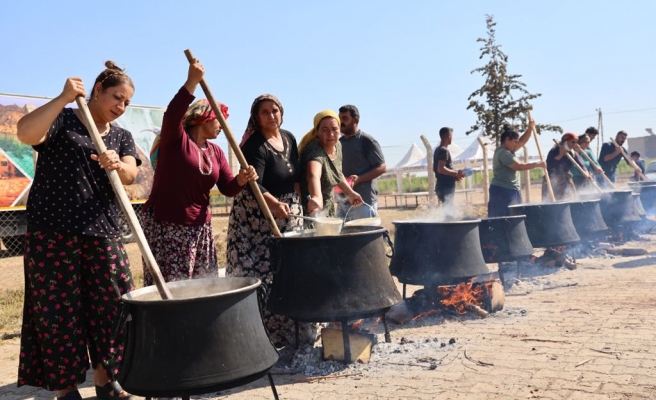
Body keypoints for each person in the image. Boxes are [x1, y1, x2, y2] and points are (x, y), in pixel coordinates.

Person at [15, 62, 138, 400]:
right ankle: (65, 390)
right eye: (117, 97)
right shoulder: (64, 119)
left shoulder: (121, 136)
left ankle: (105, 380)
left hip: (103, 232)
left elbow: (131, 173)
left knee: (113, 309)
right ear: (97, 90)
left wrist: (118, 162)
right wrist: (63, 97)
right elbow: (25, 133)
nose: (121, 107)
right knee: (59, 316)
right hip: (53, 234)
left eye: (127, 102)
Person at [141, 59, 257, 286]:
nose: (222, 126)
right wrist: (191, 82)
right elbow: (172, 115)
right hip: (169, 225)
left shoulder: (216, 151)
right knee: (174, 287)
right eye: (219, 119)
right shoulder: (176, 142)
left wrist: (241, 179)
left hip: (201, 228)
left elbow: (227, 188)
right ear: (204, 117)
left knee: (202, 285)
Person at [226, 94, 305, 347]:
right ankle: (262, 335)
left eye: (275, 111)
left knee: (289, 270)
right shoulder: (255, 146)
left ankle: (289, 330)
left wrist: (302, 202)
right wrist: (273, 204)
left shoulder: (289, 138)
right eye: (265, 112)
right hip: (258, 218)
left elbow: (297, 174)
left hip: (287, 211)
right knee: (263, 274)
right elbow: (253, 184)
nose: (272, 116)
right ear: (256, 118)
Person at [298, 110, 363, 217]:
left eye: (334, 129)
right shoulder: (315, 150)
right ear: (317, 131)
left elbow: (336, 173)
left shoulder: (337, 145)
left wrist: (350, 193)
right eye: (324, 130)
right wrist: (317, 197)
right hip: (311, 209)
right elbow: (313, 175)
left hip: (328, 206)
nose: (331, 134)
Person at [336, 105, 386, 221]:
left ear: (356, 120)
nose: (341, 122)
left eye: (344, 118)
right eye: (339, 118)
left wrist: (359, 178)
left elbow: (382, 167)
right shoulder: (338, 143)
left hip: (363, 203)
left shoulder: (366, 140)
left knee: (362, 238)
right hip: (343, 202)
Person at [487, 122, 545, 217]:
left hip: (512, 189)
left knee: (515, 216)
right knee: (505, 218)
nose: (516, 144)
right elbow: (519, 166)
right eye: (514, 142)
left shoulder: (509, 150)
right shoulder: (503, 153)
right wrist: (537, 164)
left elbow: (522, 141)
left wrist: (530, 129)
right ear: (507, 140)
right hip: (503, 190)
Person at [543, 133, 585, 201]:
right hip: (553, 180)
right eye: (573, 142)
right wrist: (560, 155)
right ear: (566, 142)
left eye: (576, 142)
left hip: (566, 179)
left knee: (571, 199)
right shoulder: (554, 150)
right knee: (552, 201)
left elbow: (581, 164)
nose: (575, 144)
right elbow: (549, 165)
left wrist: (586, 173)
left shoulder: (572, 152)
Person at [433, 127, 464, 204]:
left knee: (446, 210)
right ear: (449, 136)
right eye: (452, 136)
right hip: (446, 187)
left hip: (440, 185)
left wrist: (452, 177)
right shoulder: (444, 150)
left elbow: (435, 169)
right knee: (449, 211)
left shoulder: (437, 150)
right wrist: (456, 173)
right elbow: (441, 168)